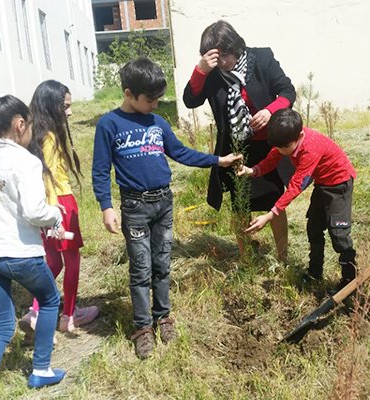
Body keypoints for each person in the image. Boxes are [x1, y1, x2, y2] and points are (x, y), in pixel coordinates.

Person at [92, 57, 242, 359]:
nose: (155, 105)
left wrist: (218, 160)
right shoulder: (109, 124)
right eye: (150, 99)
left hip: (163, 203)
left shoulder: (158, 123)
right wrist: (107, 206)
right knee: (140, 269)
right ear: (128, 93)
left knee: (162, 264)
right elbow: (100, 169)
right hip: (134, 206)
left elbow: (180, 153)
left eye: (159, 99)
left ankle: (163, 317)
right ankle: (142, 327)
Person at [0, 84, 66, 399]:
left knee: (3, 326)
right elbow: (34, 211)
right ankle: (41, 370)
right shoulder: (26, 161)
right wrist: (55, 214)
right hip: (21, 254)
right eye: (29, 126)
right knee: (50, 300)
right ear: (20, 124)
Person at [182, 20, 296, 261]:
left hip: (268, 146)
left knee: (275, 200)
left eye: (224, 55)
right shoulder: (211, 75)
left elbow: (288, 91)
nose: (222, 62)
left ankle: (283, 257)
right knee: (240, 204)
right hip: (236, 149)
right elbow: (190, 101)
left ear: (235, 47)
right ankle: (246, 259)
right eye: (215, 57)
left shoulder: (262, 58)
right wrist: (200, 70)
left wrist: (270, 111)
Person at [237, 109, 358, 292]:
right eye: (278, 146)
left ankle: (350, 280)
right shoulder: (287, 139)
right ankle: (314, 272)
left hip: (339, 184)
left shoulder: (310, 148)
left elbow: (296, 186)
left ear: (299, 135)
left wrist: (270, 215)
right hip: (323, 184)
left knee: (339, 234)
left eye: (284, 147)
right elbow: (273, 158)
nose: (280, 151)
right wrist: (253, 171)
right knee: (314, 228)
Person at [18, 80, 98, 335]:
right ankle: (69, 316)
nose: (70, 112)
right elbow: (50, 174)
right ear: (52, 106)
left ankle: (34, 311)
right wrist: (57, 215)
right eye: (65, 107)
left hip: (42, 206)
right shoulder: (51, 137)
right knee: (72, 260)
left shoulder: (33, 136)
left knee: (53, 261)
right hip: (60, 204)